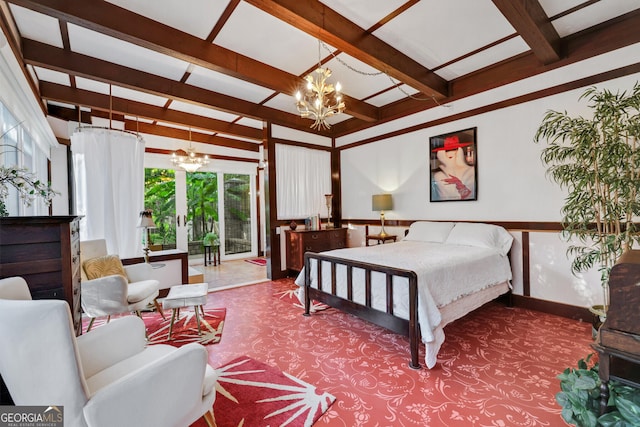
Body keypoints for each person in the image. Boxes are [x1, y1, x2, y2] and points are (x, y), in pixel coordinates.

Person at [431, 135, 475, 201]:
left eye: (454, 149)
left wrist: (459, 184)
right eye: (447, 150)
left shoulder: (471, 171)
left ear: (459, 151)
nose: (450, 153)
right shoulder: (438, 176)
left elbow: (469, 196)